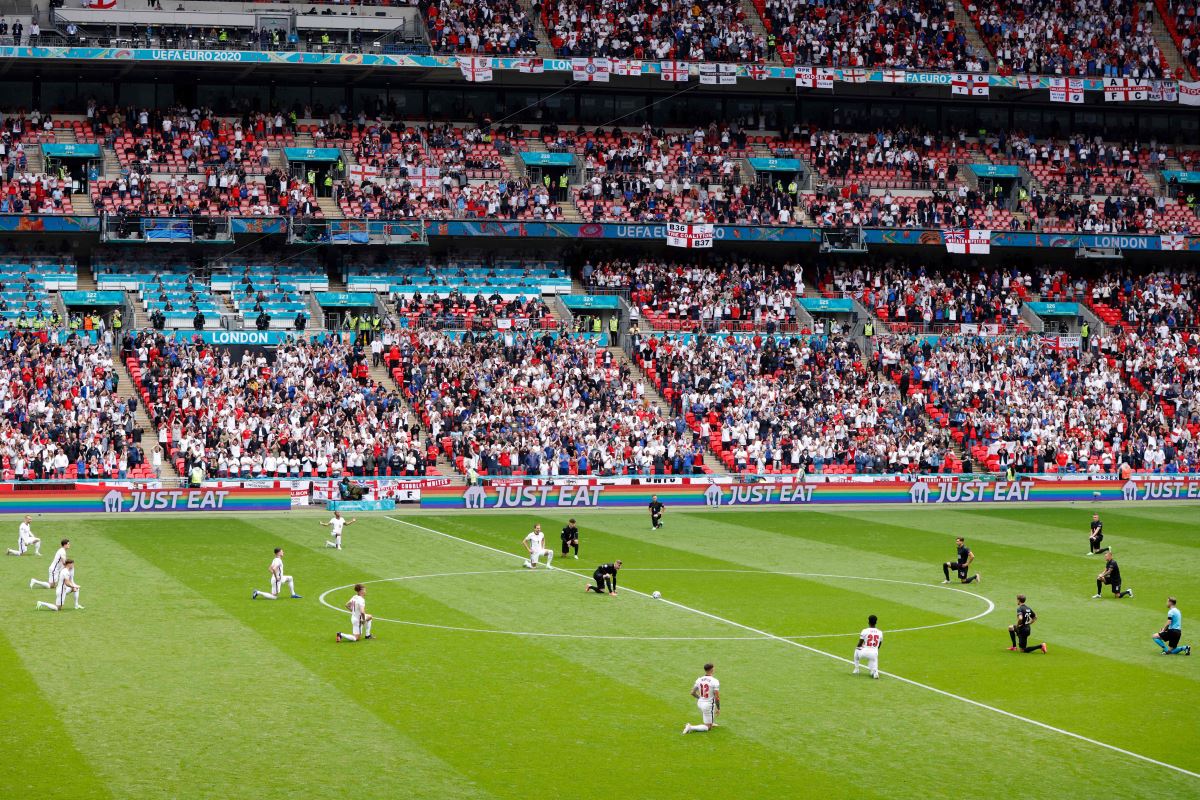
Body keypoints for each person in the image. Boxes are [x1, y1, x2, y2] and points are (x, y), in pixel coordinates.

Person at [682, 663, 720, 734]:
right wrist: (718, 708)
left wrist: (701, 698)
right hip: (708, 705)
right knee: (708, 727)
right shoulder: (715, 681)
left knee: (708, 712)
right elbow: (717, 697)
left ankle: (710, 722)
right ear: (712, 669)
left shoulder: (699, 679)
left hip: (700, 703)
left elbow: (692, 692)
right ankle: (690, 727)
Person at [852, 614, 883, 679]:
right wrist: (875, 649)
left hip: (864, 652)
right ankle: (875, 672)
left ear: (868, 622)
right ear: (876, 622)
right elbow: (879, 644)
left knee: (857, 649)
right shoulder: (880, 632)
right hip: (874, 653)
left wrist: (860, 647)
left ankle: (856, 669)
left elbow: (860, 643)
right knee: (874, 658)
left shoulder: (865, 631)